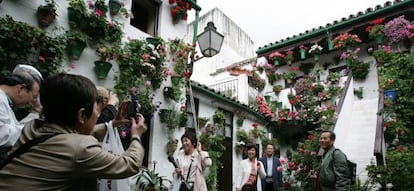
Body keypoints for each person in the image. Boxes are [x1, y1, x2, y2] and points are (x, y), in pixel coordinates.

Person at [0, 73, 147, 190]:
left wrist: (112, 124)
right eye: (96, 108)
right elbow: (130, 164)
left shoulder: (31, 128)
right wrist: (136, 137)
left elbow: (66, 140)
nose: (97, 114)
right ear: (82, 115)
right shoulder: (80, 148)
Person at [0, 64, 43, 162]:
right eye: (33, 96)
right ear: (21, 89)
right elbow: (4, 136)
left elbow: (16, 129)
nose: (31, 102)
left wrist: (36, 110)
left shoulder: (4, 102)